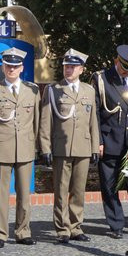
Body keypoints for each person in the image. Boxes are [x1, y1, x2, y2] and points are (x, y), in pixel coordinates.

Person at [39, 49, 100, 243]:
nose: (68, 70)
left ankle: (76, 226)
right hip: (61, 148)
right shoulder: (53, 89)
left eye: (72, 67)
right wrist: (45, 147)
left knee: (78, 190)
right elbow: (45, 121)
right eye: (66, 66)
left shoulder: (89, 91)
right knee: (61, 189)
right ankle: (62, 229)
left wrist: (94, 146)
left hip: (82, 146)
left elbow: (93, 122)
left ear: (81, 69)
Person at [0, 48, 41, 248]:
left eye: (15, 66)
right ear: (3, 66)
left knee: (24, 194)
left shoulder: (32, 91)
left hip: (25, 148)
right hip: (1, 148)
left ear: (21, 68)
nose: (11, 69)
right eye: (8, 65)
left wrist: (39, 147)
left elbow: (37, 122)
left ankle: (23, 231)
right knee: (0, 195)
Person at [91, 44, 128, 239]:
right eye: (123, 68)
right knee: (110, 186)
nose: (126, 73)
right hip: (110, 139)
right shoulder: (101, 79)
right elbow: (95, 112)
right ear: (116, 61)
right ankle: (116, 224)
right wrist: (98, 141)